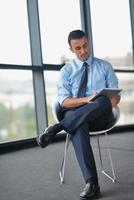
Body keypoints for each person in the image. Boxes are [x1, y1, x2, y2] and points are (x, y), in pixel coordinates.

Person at [37, 30, 121, 199]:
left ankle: (57, 128)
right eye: (78, 48)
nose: (83, 51)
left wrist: (100, 101)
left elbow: (115, 97)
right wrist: (87, 99)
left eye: (85, 46)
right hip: (76, 116)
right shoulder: (66, 71)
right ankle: (92, 183)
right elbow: (64, 101)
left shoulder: (104, 66)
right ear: (71, 49)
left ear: (88, 43)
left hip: (99, 116)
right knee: (79, 123)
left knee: (103, 101)